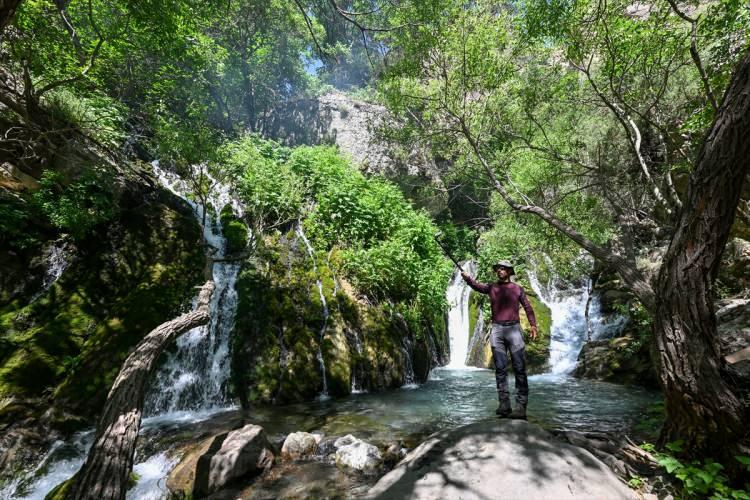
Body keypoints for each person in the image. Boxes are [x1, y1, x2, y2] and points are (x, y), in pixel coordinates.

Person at [461, 260, 537, 419]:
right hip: (497, 330)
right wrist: (468, 278)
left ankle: (521, 407)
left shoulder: (517, 289)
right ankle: (504, 405)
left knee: (519, 368)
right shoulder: (492, 288)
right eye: (498, 269)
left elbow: (528, 307)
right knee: (500, 369)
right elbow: (477, 286)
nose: (499, 271)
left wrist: (533, 326)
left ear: (509, 272)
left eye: (503, 269)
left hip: (514, 329)